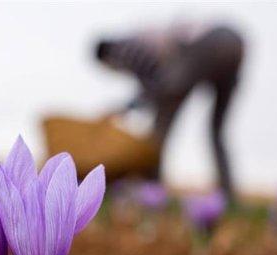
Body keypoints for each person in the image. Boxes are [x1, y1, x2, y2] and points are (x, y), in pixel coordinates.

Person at [95, 23, 244, 202]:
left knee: (159, 130)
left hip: (206, 46)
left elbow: (156, 84)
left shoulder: (124, 50)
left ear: (107, 60)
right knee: (216, 130)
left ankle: (154, 192)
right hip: (233, 43)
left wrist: (126, 108)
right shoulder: (143, 35)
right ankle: (228, 195)